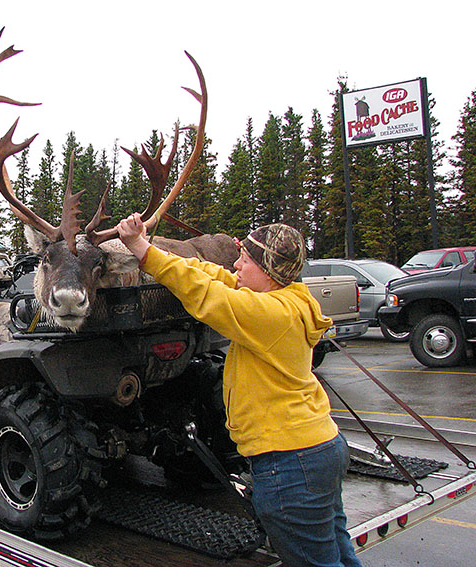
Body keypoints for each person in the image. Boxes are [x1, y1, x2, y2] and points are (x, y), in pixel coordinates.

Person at [116, 212, 362, 567]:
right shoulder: (293, 296)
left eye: (245, 261)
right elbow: (219, 277)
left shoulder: (268, 314)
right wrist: (160, 252)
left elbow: (205, 294)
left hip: (291, 461)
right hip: (318, 449)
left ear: (268, 270)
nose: (236, 265)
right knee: (334, 551)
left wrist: (140, 248)